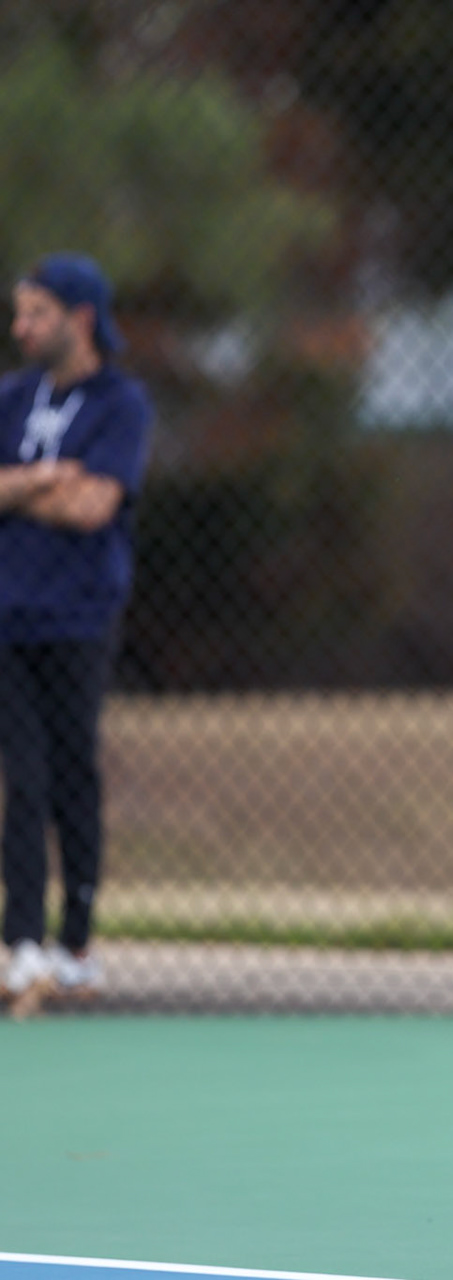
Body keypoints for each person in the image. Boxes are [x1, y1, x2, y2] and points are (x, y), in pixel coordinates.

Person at [0, 253, 153, 1017]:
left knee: (71, 775)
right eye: (18, 314)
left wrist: (16, 491)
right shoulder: (11, 397)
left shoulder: (121, 404)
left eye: (35, 314)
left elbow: (96, 506)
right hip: (7, 618)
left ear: (79, 318)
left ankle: (77, 944)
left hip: (80, 617)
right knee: (20, 778)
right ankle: (21, 941)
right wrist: (38, 480)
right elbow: (59, 490)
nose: (21, 328)